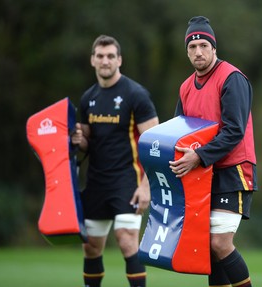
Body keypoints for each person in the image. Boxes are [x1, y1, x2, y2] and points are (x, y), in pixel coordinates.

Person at [169, 16, 257, 287]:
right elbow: (178, 133)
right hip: (202, 174)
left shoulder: (231, 78)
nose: (198, 52)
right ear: (187, 51)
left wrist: (198, 157)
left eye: (204, 45)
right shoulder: (185, 87)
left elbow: (233, 131)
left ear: (214, 48)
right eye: (192, 47)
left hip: (233, 170)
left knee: (219, 242)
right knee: (207, 248)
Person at [71, 35, 159, 287]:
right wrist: (78, 138)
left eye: (110, 56)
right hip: (96, 182)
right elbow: (88, 143)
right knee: (91, 247)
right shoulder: (88, 98)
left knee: (126, 239)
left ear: (119, 60)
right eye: (100, 56)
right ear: (92, 60)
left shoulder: (136, 95)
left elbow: (156, 144)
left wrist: (146, 186)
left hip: (127, 182)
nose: (105, 61)